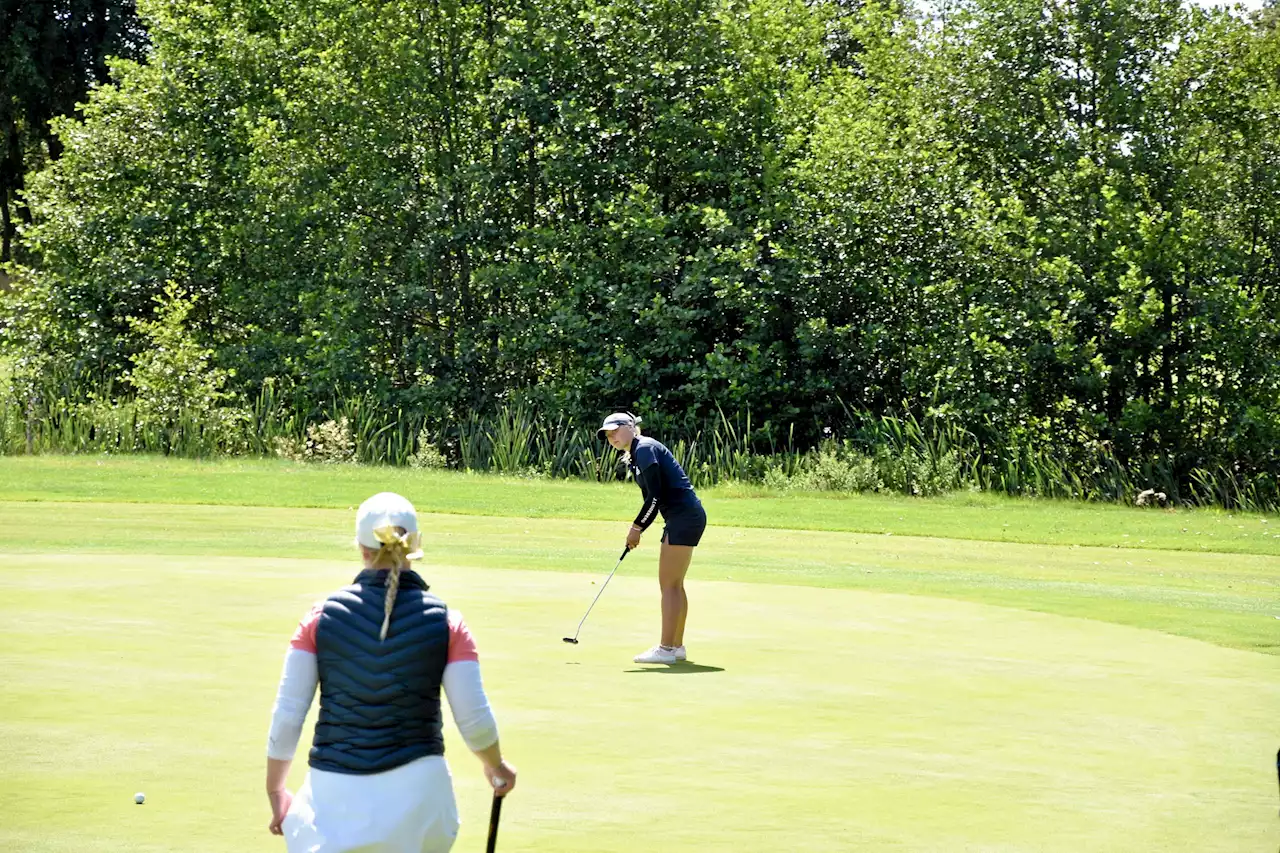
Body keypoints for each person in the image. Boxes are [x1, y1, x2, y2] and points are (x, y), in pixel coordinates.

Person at [263, 492, 516, 852]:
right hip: (423, 805)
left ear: (361, 548)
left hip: (333, 803)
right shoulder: (447, 622)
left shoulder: (319, 619)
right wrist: (496, 766)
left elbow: (288, 716)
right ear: (416, 545)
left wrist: (276, 789)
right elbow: (474, 719)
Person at [598, 412, 708, 664]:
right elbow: (656, 498)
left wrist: (637, 527)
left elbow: (654, 497)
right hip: (684, 516)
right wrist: (639, 527)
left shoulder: (645, 448)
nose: (611, 437)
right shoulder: (638, 452)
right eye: (607, 434)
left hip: (683, 516)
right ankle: (676, 646)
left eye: (615, 430)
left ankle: (666, 649)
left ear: (631, 427)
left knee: (669, 584)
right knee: (675, 584)